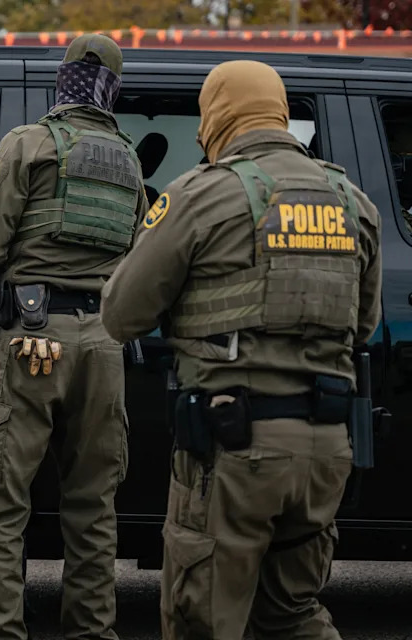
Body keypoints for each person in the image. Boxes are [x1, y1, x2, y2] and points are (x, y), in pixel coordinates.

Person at [100, 60, 382, 639]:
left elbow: (122, 315)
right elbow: (364, 326)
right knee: (294, 615)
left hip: (235, 451)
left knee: (202, 619)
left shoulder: (201, 196)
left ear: (216, 115)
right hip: (326, 450)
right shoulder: (355, 203)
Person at [0, 35, 148, 640]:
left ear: (62, 78)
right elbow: (138, 258)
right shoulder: (129, 160)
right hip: (104, 346)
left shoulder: (28, 144)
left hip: (33, 340)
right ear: (112, 88)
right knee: (94, 512)